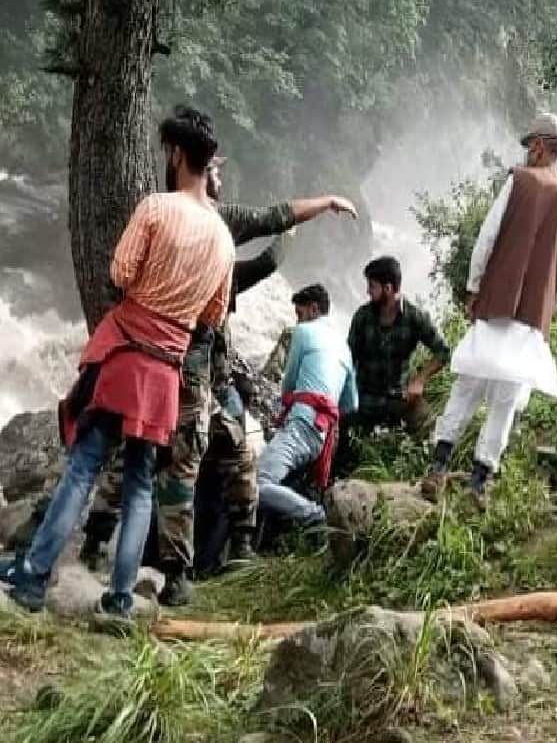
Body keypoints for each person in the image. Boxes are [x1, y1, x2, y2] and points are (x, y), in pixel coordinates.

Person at [74, 156, 359, 602]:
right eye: (218, 172)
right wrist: (303, 224)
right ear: (201, 172)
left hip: (180, 369)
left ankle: (110, 545)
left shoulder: (168, 221)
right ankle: (178, 567)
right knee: (179, 467)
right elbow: (269, 242)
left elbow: (263, 246)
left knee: (158, 460)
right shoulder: (215, 229)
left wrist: (304, 219)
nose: (223, 179)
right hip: (188, 375)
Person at [3, 106, 236, 619]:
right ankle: (119, 601)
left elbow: (120, 271)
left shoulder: (155, 208)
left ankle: (34, 579)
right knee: (139, 482)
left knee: (85, 465)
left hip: (127, 357)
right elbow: (214, 313)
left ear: (175, 154)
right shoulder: (222, 237)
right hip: (167, 373)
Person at [424, 113, 557, 504]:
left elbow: (487, 238)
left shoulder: (518, 180)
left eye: (531, 145)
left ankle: (438, 468)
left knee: (467, 386)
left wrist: (475, 287)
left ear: (542, 146)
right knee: (506, 402)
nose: (527, 151)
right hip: (531, 320)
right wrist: (547, 307)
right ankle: (479, 481)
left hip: (496, 305)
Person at [257, 284, 358, 527]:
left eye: (299, 314)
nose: (298, 320)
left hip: (302, 423)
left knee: (257, 483)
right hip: (323, 436)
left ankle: (318, 517)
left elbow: (288, 385)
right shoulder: (344, 348)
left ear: (313, 309)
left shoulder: (304, 332)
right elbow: (351, 403)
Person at [342, 256, 450, 466]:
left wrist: (419, 380)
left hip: (397, 399)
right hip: (363, 400)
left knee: (429, 427)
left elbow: (443, 352)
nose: (367, 291)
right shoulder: (362, 317)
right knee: (345, 452)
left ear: (388, 288)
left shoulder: (414, 317)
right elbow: (347, 360)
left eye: (372, 286)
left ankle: (428, 471)